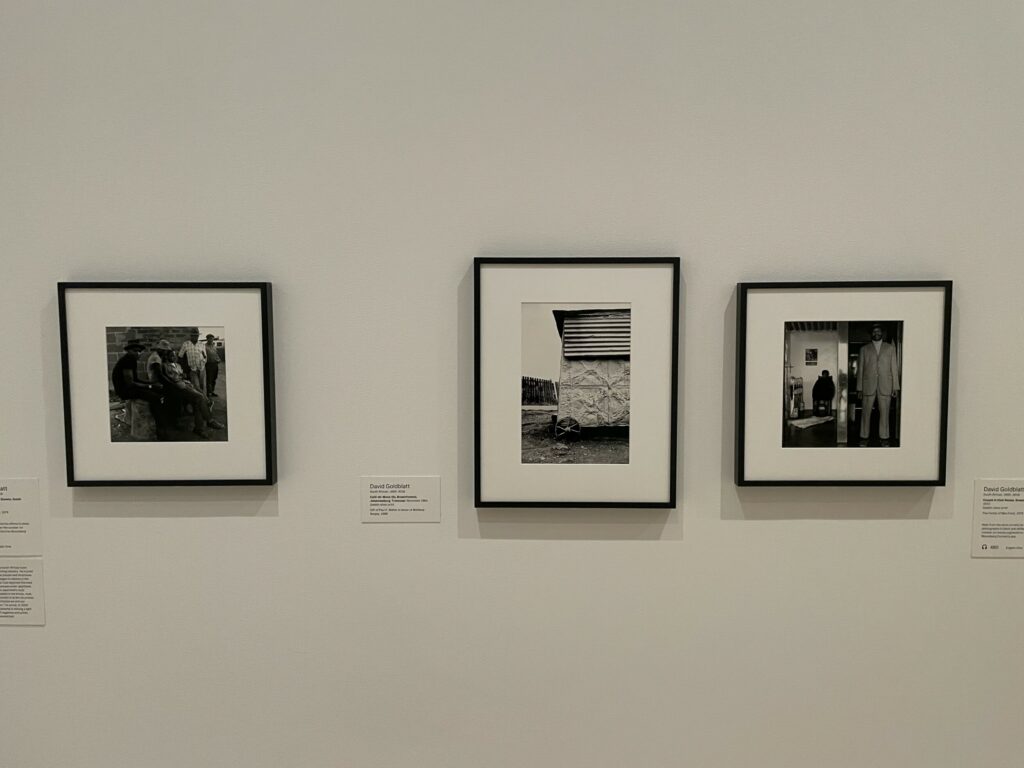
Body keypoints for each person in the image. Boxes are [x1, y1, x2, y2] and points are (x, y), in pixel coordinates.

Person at [150, 339, 224, 438]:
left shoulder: (177, 365)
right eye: (170, 355)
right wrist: (178, 380)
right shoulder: (163, 364)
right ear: (166, 356)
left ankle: (199, 428)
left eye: (174, 356)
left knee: (198, 400)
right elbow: (168, 377)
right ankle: (210, 421)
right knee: (199, 398)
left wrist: (183, 377)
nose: (173, 357)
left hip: (184, 383)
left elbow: (180, 375)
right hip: (176, 386)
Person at [857, 324, 899, 446]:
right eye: (874, 331)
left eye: (878, 331)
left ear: (882, 333)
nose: (876, 333)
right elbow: (860, 370)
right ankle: (864, 436)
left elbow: (894, 368)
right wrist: (859, 388)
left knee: (885, 413)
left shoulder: (890, 348)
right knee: (865, 412)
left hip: (886, 385)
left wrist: (895, 387)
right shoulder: (864, 349)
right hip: (867, 385)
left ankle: (884, 437)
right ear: (871, 334)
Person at [178, 328, 207, 395]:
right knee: (196, 386)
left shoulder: (201, 344)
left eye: (197, 335)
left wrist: (203, 362)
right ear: (191, 336)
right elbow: (180, 356)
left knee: (202, 386)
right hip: (192, 369)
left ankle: (203, 399)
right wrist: (184, 369)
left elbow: (205, 356)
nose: (195, 337)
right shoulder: (186, 344)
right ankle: (202, 399)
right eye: (194, 335)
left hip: (202, 369)